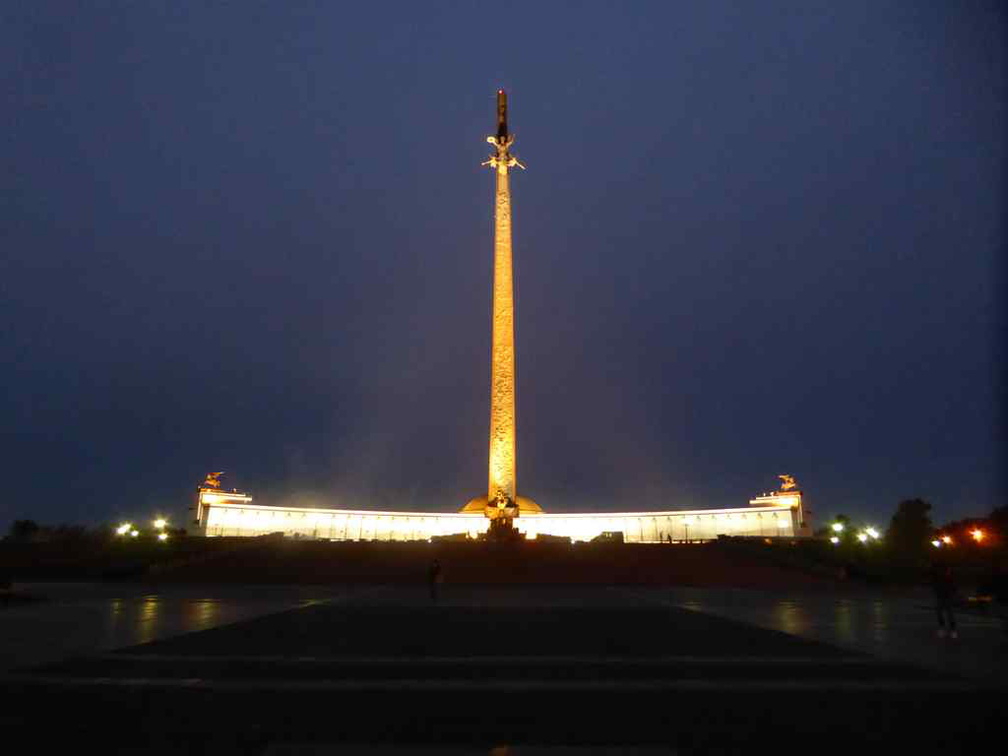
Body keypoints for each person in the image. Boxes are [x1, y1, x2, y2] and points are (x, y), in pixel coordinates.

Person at [930, 559, 957, 639]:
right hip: (941, 595)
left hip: (947, 596)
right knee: (940, 613)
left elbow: (953, 586)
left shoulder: (949, 577)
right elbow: (935, 583)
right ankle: (943, 629)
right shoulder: (938, 576)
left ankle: (952, 630)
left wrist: (953, 593)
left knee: (949, 614)